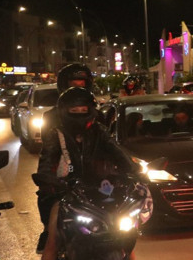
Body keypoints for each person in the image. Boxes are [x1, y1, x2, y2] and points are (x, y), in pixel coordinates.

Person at [34, 87, 141, 260]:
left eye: (83, 110)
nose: (79, 114)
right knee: (53, 234)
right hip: (66, 194)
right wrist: (49, 180)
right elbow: (47, 160)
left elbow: (117, 152)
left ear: (91, 110)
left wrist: (135, 171)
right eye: (74, 110)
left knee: (125, 236)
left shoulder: (99, 131)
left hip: (99, 192)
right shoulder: (56, 135)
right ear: (64, 111)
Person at [35, 63, 94, 254]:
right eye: (72, 84)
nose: (77, 89)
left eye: (81, 84)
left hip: (94, 179)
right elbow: (49, 152)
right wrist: (48, 179)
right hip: (64, 179)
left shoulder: (96, 114)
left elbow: (110, 146)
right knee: (52, 232)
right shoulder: (51, 117)